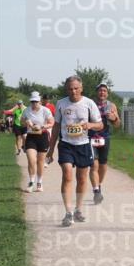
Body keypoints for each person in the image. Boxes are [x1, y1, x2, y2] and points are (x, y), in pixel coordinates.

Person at [47, 77, 103, 227]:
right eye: (70, 89)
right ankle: (68, 212)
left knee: (82, 178)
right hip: (66, 144)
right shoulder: (61, 103)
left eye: (76, 88)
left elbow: (100, 125)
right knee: (67, 174)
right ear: (67, 89)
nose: (73, 91)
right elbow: (56, 127)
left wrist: (90, 125)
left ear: (81, 88)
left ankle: (78, 209)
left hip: (83, 145)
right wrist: (50, 150)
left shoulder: (89, 103)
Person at [89, 82, 122, 204]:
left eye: (104, 91)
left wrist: (114, 118)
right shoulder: (90, 104)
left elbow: (118, 125)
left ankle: (98, 184)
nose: (102, 92)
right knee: (94, 165)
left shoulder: (111, 105)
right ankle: (96, 192)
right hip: (91, 138)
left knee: (103, 166)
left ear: (107, 93)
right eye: (100, 90)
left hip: (105, 138)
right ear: (97, 92)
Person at [22, 92, 54, 192]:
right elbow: (22, 122)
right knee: (31, 160)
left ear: (39, 101)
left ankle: (39, 182)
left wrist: (42, 126)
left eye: (36, 101)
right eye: (32, 101)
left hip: (42, 136)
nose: (34, 103)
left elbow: (51, 123)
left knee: (40, 162)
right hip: (31, 137)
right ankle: (31, 182)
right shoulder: (27, 110)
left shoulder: (45, 110)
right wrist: (26, 122)